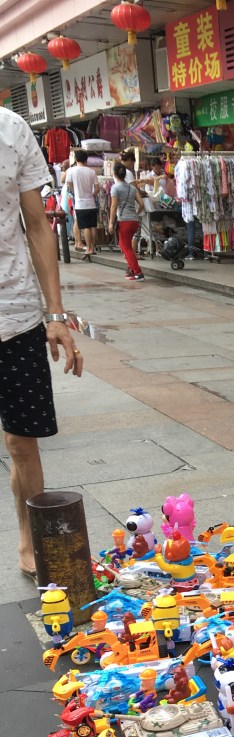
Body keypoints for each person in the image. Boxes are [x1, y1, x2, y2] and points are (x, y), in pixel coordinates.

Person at [0, 108, 83, 580]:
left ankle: (29, 539)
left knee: (21, 441)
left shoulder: (11, 130)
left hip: (15, 313)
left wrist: (55, 314)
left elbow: (37, 225)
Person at [107, 162, 145, 281]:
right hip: (134, 221)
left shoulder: (115, 188)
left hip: (124, 221)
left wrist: (111, 223)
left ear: (114, 174)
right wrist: (136, 213)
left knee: (125, 247)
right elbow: (142, 204)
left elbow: (114, 206)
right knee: (126, 246)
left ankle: (138, 272)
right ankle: (131, 270)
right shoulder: (132, 188)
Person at [63, 149, 99, 262]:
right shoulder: (92, 172)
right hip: (91, 203)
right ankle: (93, 247)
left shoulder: (71, 171)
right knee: (93, 226)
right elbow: (97, 188)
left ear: (76, 159)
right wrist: (93, 195)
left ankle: (89, 248)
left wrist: (75, 192)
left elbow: (69, 184)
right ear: (86, 159)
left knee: (86, 227)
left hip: (80, 203)